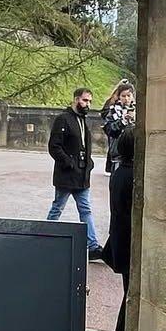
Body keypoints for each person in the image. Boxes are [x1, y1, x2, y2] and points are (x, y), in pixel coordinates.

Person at [46, 87, 103, 259]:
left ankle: (92, 246)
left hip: (82, 175)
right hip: (67, 174)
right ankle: (44, 237)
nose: (88, 104)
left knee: (85, 209)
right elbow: (54, 146)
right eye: (85, 100)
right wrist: (68, 163)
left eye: (90, 101)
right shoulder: (63, 119)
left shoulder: (83, 120)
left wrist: (88, 164)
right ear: (76, 99)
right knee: (57, 208)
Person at [102, 125, 134, 331]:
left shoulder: (121, 171)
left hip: (121, 243)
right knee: (130, 297)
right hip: (126, 245)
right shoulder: (129, 174)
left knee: (129, 296)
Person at [101, 80, 136, 174]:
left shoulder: (138, 110)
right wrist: (122, 121)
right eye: (123, 96)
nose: (126, 99)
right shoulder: (113, 111)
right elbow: (110, 130)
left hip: (135, 154)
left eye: (129, 96)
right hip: (118, 155)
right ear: (119, 97)